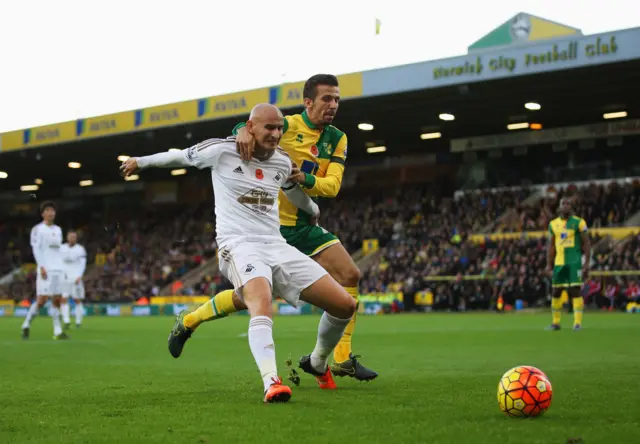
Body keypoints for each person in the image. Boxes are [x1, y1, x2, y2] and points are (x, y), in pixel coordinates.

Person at [120, 104, 356, 403]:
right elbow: (179, 156)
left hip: (276, 245)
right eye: (269, 127)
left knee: (344, 305)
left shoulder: (282, 161)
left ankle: (318, 361)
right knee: (261, 301)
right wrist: (140, 162)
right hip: (239, 244)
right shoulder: (221, 151)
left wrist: (312, 209)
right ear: (250, 127)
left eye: (280, 128)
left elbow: (291, 189)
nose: (276, 133)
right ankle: (272, 381)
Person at [179, 74, 378, 382]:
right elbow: (250, 130)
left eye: (337, 99)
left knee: (351, 274)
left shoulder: (338, 138)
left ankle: (336, 358)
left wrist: (304, 180)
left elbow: (333, 186)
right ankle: (191, 320)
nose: (333, 105)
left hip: (301, 224)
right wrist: (239, 132)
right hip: (265, 228)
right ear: (308, 102)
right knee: (247, 297)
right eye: (327, 98)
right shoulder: (285, 126)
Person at [21, 201, 69, 340]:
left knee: (57, 300)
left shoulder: (58, 230)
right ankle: (26, 324)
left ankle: (57, 331)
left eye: (52, 210)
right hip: (46, 269)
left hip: (58, 269)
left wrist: (63, 267)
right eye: (47, 210)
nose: (50, 213)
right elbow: (36, 249)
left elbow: (58, 250)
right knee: (41, 300)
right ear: (43, 214)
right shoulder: (38, 229)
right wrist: (41, 266)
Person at [547, 197, 591, 331]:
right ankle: (555, 323)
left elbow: (587, 244)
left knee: (575, 291)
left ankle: (577, 323)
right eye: (563, 204)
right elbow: (551, 246)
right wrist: (549, 265)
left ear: (571, 207)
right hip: (559, 263)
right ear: (559, 207)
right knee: (556, 291)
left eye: (568, 204)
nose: (565, 206)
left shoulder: (579, 222)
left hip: (574, 262)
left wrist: (586, 264)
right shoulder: (553, 224)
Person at [60, 230, 87, 329]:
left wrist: (79, 276)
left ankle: (78, 321)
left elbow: (83, 264)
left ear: (76, 238)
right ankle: (66, 321)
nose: (72, 238)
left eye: (74, 237)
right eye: (70, 237)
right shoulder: (61, 248)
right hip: (64, 277)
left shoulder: (80, 249)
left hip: (76, 277)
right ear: (67, 238)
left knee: (77, 300)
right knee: (64, 299)